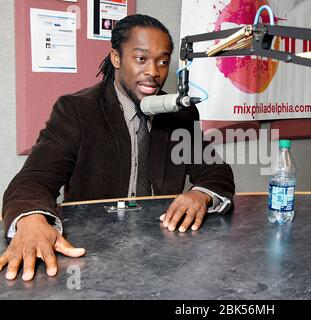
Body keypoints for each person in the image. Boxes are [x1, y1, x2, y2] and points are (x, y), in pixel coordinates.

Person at [0, 14, 235, 282]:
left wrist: (199, 195)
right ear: (116, 58)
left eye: (163, 61)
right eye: (141, 58)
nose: (153, 72)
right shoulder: (76, 111)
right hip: (92, 258)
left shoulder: (179, 114)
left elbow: (216, 172)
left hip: (163, 257)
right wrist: (31, 220)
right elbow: (33, 180)